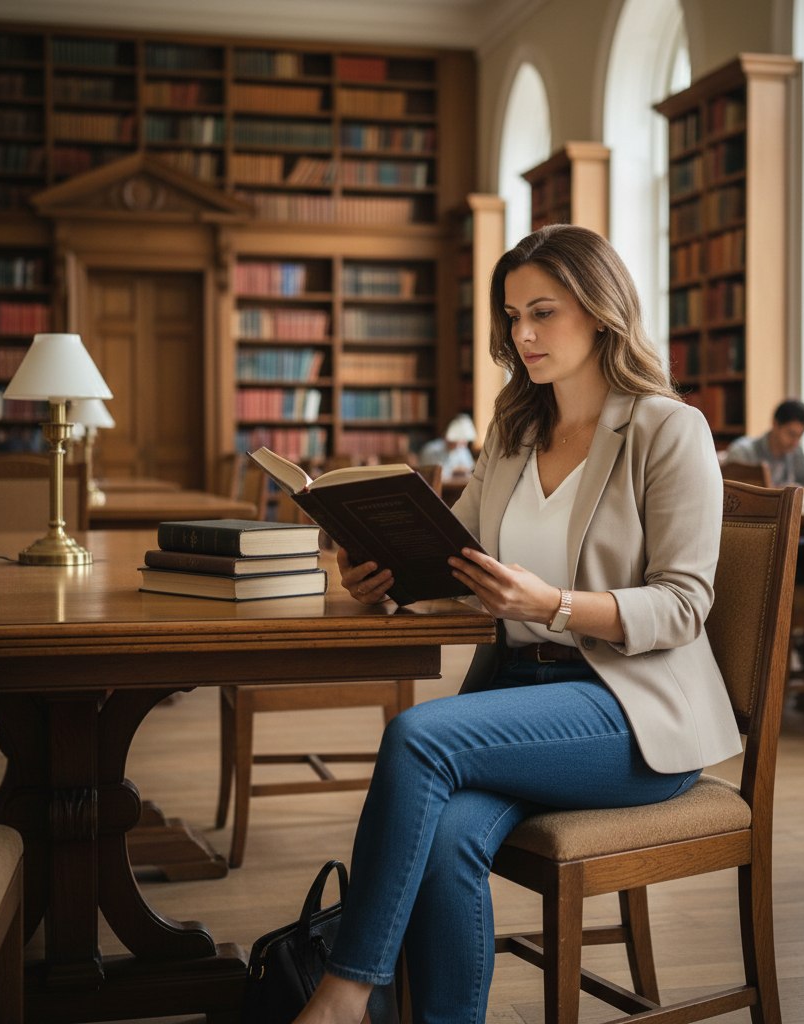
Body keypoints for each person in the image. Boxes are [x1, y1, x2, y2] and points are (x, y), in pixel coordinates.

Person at [294, 225, 742, 1024]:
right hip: (519, 703)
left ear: (601, 312)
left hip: (631, 713)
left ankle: (342, 994)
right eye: (511, 316)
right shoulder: (512, 432)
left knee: (418, 736)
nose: (522, 335)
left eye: (544, 312)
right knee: (443, 838)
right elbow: (460, 567)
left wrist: (555, 606)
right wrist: (385, 582)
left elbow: (684, 604)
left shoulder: (667, 429)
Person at [723, 398, 804, 487]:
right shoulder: (742, 452)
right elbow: (732, 496)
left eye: (800, 436)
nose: (795, 442)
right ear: (775, 424)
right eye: (791, 434)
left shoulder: (796, 451)